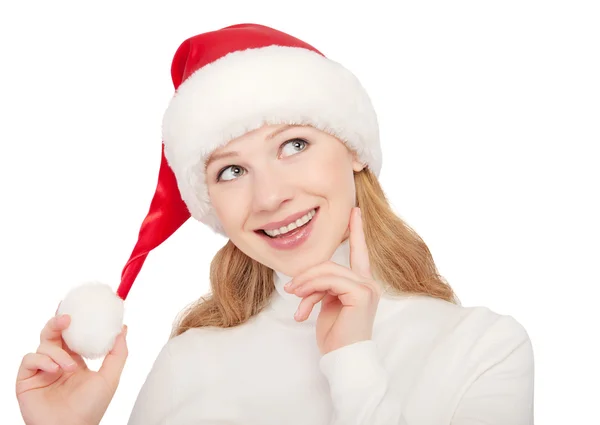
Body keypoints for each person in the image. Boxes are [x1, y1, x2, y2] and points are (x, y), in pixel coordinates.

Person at [16, 23, 535, 425]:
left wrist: (352, 361)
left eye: (294, 145)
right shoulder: (188, 363)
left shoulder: (483, 348)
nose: (269, 197)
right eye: (232, 170)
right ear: (212, 205)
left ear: (353, 147)